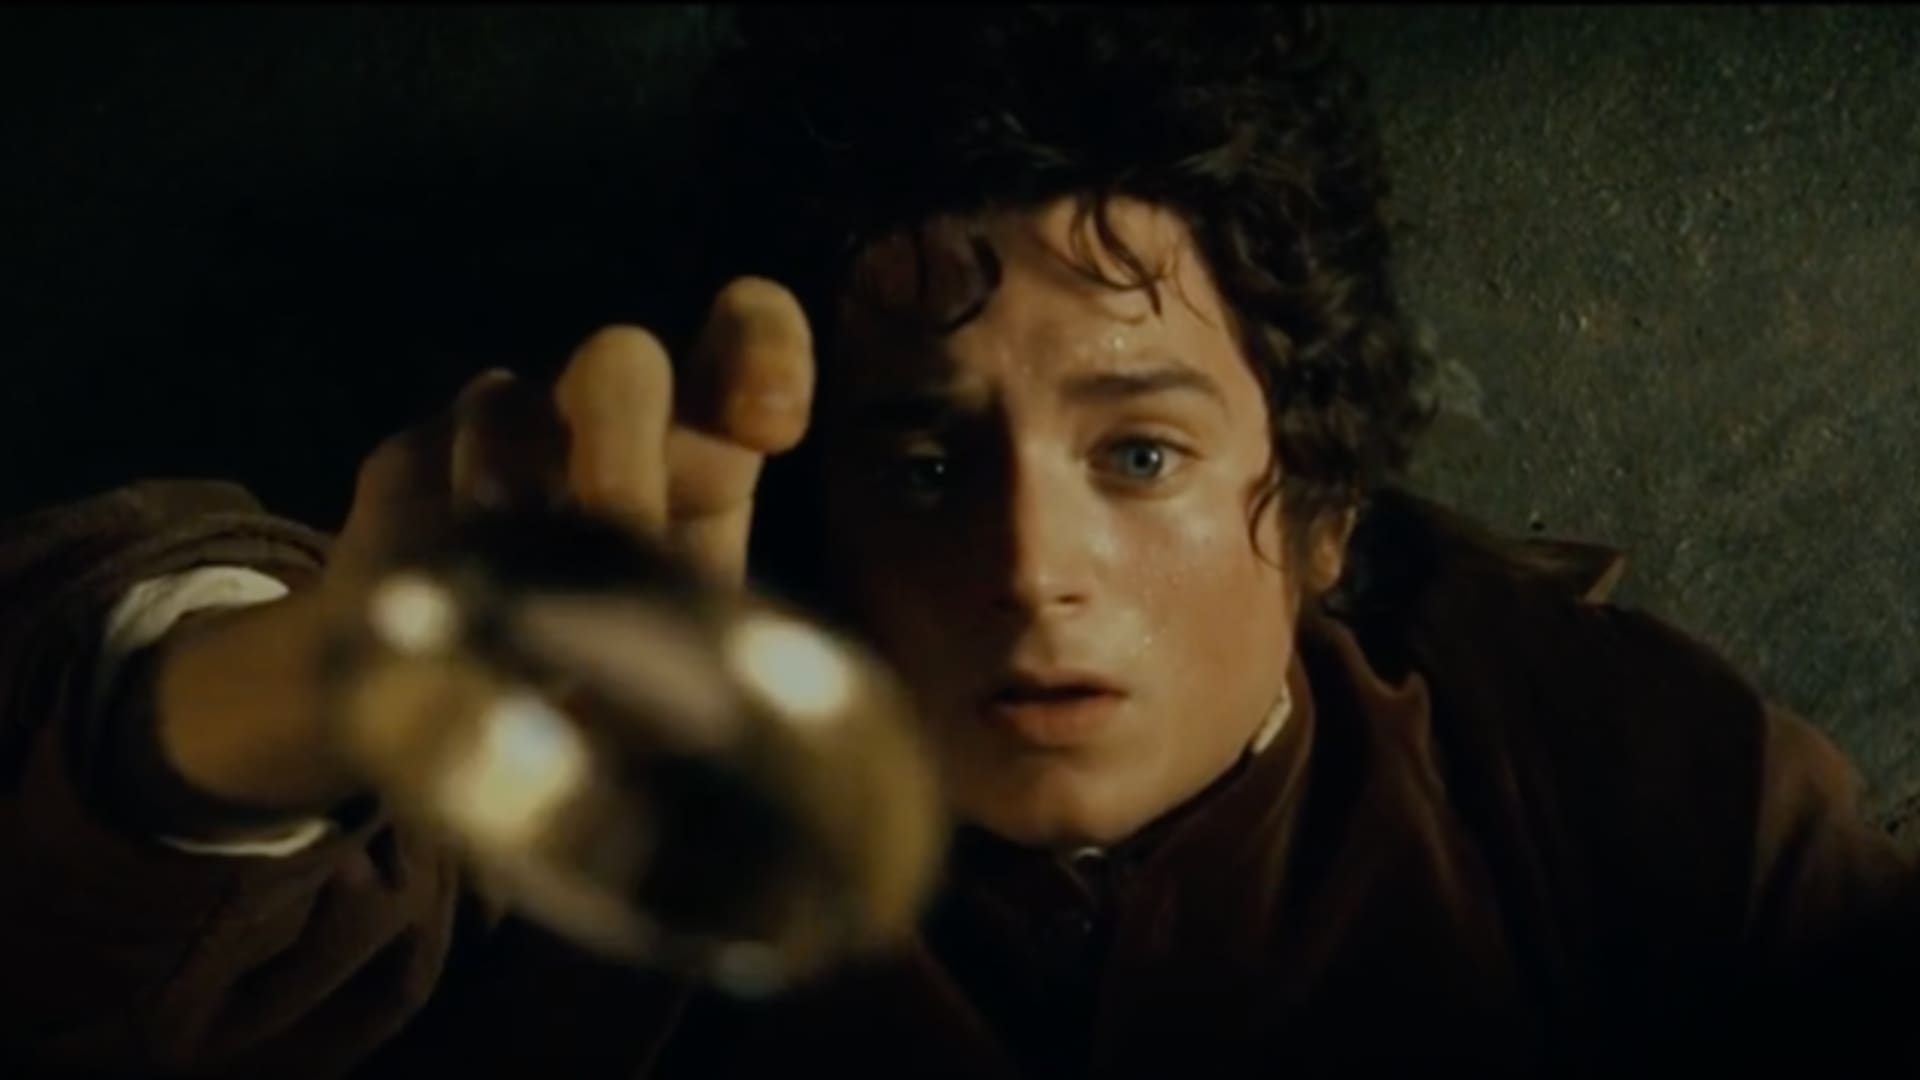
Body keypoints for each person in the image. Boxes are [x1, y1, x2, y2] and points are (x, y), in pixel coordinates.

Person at [1, 6, 1914, 1076]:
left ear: (1322, 511)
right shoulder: (588, 791)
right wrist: (289, 695)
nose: (1028, 563)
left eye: (1141, 454)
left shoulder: (1615, 780)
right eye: (923, 465)